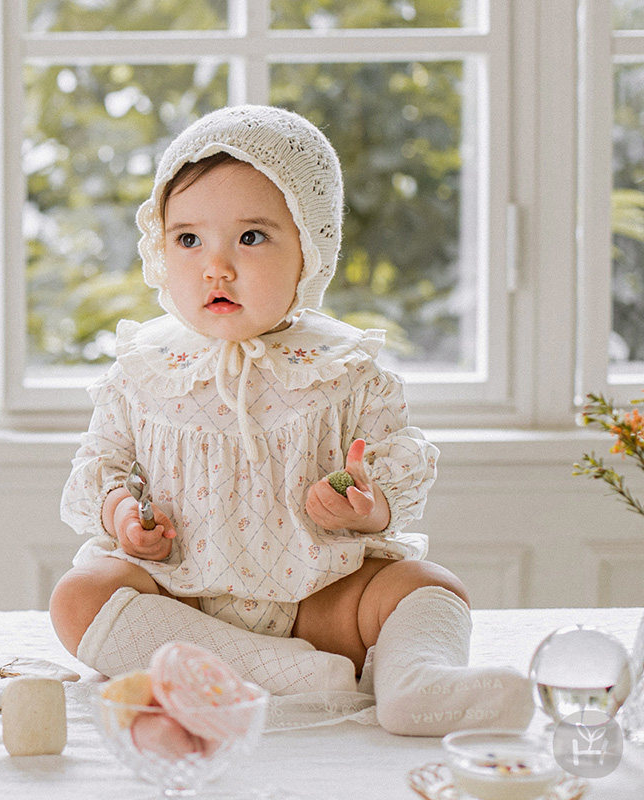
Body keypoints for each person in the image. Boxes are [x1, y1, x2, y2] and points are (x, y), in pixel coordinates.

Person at [51, 105, 534, 736]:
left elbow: (395, 467)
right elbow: (103, 465)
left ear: (310, 249)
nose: (216, 267)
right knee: (79, 596)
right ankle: (285, 673)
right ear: (159, 245)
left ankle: (418, 683)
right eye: (189, 240)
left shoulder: (345, 368)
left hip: (318, 601)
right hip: (180, 597)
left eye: (251, 238)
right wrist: (123, 516)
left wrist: (367, 507)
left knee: (423, 585)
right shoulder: (144, 368)